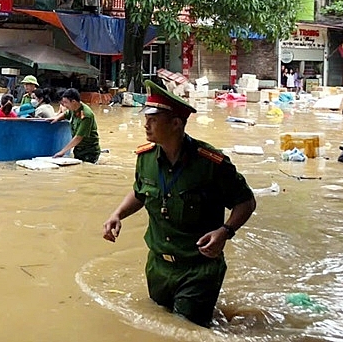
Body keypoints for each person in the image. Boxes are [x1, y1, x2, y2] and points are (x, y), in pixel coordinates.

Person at [102, 79, 256, 327]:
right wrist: (117, 214)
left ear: (175, 124)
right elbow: (140, 193)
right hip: (158, 267)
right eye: (146, 117)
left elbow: (246, 202)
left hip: (198, 269)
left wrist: (226, 231)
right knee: (160, 325)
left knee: (184, 328)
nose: (146, 124)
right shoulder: (146, 158)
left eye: (153, 118)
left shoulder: (211, 163)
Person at [49, 88, 100, 163]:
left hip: (89, 151)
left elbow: (78, 137)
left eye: (66, 103)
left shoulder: (86, 115)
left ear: (73, 101)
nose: (65, 106)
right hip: (78, 149)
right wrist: (56, 118)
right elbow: (66, 114)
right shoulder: (74, 109)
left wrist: (62, 152)